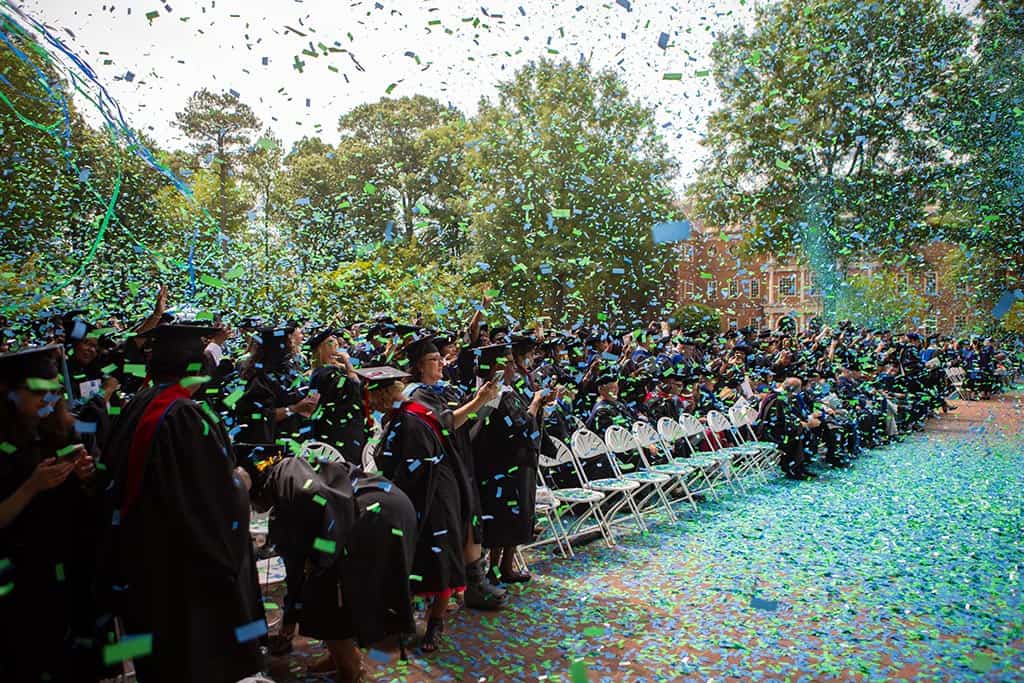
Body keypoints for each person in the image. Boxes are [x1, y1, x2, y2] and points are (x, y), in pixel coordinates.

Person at [98, 324, 265, 683]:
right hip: (183, 570)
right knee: (192, 658)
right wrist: (242, 481)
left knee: (157, 657)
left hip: (141, 563)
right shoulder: (187, 416)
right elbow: (213, 497)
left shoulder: (138, 405)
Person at [239, 449, 417, 683]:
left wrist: (319, 562)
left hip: (375, 517)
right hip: (387, 507)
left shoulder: (288, 479)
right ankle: (340, 656)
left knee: (325, 604)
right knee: (333, 597)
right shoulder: (288, 474)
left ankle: (350, 670)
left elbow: (306, 551)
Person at [0, 345, 107, 682]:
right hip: (20, 580)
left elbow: (93, 500)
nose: (48, 403)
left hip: (72, 569)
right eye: (37, 394)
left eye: (54, 393)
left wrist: (87, 476)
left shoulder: (65, 429)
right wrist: (31, 486)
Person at [366, 366, 483, 653]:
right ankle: (411, 621)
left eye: (375, 398)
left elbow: (416, 467)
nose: (374, 405)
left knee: (440, 558)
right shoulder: (404, 414)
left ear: (384, 396)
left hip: (433, 496)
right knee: (420, 560)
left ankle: (435, 623)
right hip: (426, 492)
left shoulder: (411, 419)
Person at [402, 333, 509, 610]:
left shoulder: (445, 389)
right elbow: (443, 424)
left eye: (440, 359)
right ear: (418, 365)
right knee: (447, 525)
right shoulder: (415, 394)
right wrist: (476, 402)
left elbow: (468, 419)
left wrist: (485, 400)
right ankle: (439, 594)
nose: (440, 364)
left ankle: (475, 584)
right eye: (433, 360)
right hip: (437, 470)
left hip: (461, 462)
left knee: (471, 517)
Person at [471, 339, 552, 585]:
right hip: (500, 468)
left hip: (516, 466)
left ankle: (507, 566)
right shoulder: (492, 395)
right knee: (502, 521)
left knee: (515, 518)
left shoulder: (507, 391)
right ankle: (496, 570)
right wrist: (536, 404)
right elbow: (517, 428)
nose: (514, 367)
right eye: (507, 363)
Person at [307, 328, 368, 466]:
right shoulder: (328, 374)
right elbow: (355, 387)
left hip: (328, 429)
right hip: (341, 431)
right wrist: (348, 363)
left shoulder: (318, 372)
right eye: (333, 345)